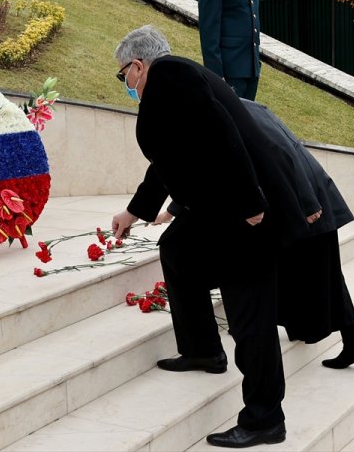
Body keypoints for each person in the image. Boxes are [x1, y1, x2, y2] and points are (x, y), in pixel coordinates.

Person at [111, 25, 308, 448]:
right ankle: (202, 348)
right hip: (220, 210)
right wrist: (134, 211)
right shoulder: (176, 79)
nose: (124, 83)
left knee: (248, 315)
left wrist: (250, 203)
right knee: (177, 248)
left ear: (138, 65)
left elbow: (224, 137)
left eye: (123, 74)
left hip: (243, 213)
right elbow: (169, 157)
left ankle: (264, 419)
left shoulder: (169, 79)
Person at [152, 100, 354, 381]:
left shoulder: (225, 115)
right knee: (326, 273)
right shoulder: (248, 107)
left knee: (316, 274)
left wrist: (306, 203)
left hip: (304, 200)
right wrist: (173, 210)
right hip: (309, 194)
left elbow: (276, 152)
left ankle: (351, 344)